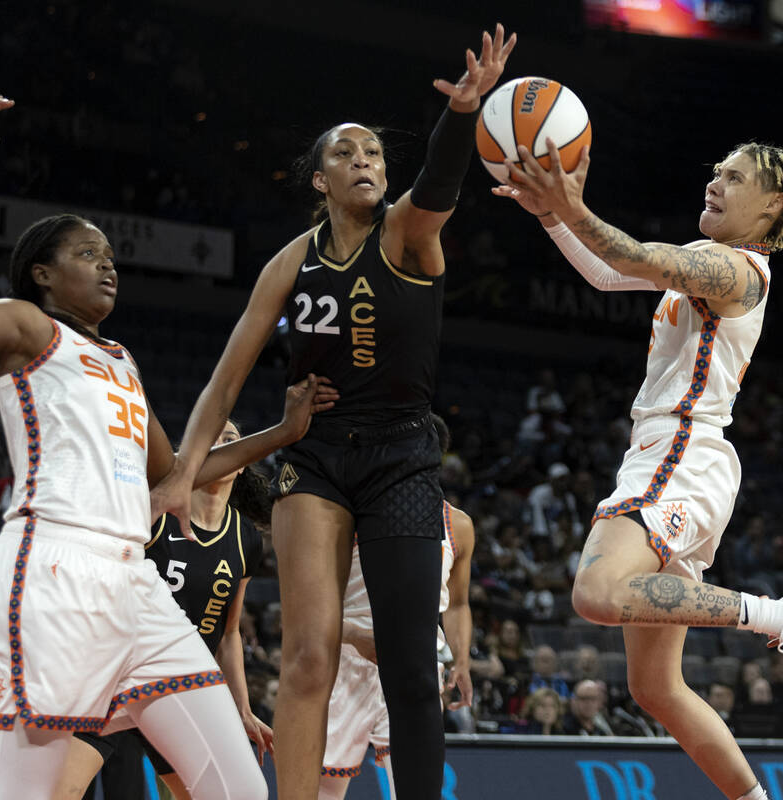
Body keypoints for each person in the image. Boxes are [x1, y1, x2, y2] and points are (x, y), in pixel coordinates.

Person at [0, 97, 332, 800]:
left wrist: (282, 433)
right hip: (53, 568)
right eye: (88, 254)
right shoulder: (30, 329)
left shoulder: (122, 359)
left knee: (241, 789)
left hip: (135, 584)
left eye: (111, 257)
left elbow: (177, 476)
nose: (107, 266)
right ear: (43, 274)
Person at [148, 25, 515, 800]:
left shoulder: (408, 233)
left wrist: (463, 113)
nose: (364, 161)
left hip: (402, 457)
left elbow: (442, 181)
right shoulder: (292, 261)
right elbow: (225, 380)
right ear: (320, 179)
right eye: (346, 153)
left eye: (374, 152)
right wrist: (182, 474)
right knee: (307, 657)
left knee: (411, 668)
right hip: (316, 458)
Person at [495, 138, 783, 800]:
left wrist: (571, 207)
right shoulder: (711, 260)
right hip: (682, 459)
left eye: (735, 177)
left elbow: (635, 256)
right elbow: (610, 274)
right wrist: (553, 214)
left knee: (596, 593)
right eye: (716, 171)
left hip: (679, 452)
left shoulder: (737, 270)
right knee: (656, 688)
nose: (715, 182)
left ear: (771, 205)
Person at [56, 419, 277, 800]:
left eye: (230, 439)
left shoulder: (245, 539)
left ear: (242, 462)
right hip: (118, 673)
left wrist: (241, 707)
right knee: (62, 790)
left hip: (176, 689)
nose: (221, 444)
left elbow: (228, 634)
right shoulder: (156, 509)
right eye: (211, 436)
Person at [320, 415, 475, 800]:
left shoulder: (458, 524)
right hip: (346, 660)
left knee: (416, 787)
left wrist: (461, 660)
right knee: (326, 789)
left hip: (417, 662)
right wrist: (353, 635)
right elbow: (313, 601)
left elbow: (457, 603)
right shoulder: (351, 513)